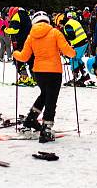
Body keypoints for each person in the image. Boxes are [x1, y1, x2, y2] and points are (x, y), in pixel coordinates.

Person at [13, 11, 76, 142]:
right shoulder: (55, 32)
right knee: (51, 99)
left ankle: (30, 120)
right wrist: (73, 51)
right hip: (54, 72)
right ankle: (46, 127)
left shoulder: (31, 36)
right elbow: (68, 52)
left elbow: (24, 56)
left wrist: (15, 54)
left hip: (39, 72)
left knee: (44, 96)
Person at [62, 12, 91, 86]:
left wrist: (66, 38)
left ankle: (75, 77)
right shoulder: (74, 21)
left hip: (79, 43)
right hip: (83, 42)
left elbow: (72, 36)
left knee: (73, 59)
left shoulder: (67, 25)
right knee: (78, 59)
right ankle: (85, 75)